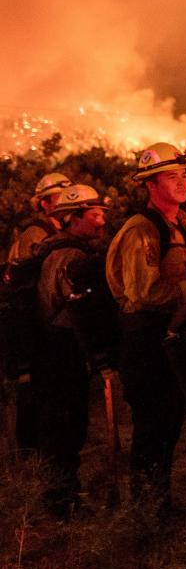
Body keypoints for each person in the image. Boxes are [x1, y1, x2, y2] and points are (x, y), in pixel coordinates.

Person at [105, 142, 186, 506]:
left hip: (171, 342)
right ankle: (146, 512)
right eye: (172, 176)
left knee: (169, 424)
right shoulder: (143, 230)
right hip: (147, 344)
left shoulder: (182, 227)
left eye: (184, 175)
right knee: (152, 428)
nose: (182, 182)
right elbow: (145, 293)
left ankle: (159, 503)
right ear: (151, 185)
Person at [31, 184, 111, 516]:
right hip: (62, 347)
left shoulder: (53, 249)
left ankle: (59, 494)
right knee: (67, 423)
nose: (101, 223)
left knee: (59, 423)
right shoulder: (71, 257)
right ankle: (62, 501)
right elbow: (76, 310)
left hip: (51, 346)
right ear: (74, 218)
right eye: (94, 215)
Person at [8, 172, 72, 456]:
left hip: (49, 322)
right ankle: (31, 451)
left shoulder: (57, 231)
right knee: (34, 386)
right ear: (44, 203)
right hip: (34, 323)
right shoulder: (36, 233)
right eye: (58, 196)